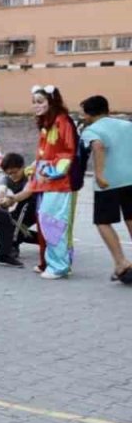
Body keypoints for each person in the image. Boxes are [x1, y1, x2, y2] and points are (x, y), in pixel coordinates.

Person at [22, 85, 79, 279]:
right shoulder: (48, 123)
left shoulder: (62, 121)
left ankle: (59, 266)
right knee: (46, 222)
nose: (35, 106)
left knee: (53, 223)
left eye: (40, 102)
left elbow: (68, 152)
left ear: (51, 102)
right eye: (34, 102)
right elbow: (47, 153)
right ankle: (53, 263)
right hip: (46, 181)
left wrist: (49, 170)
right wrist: (35, 167)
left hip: (59, 182)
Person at [78, 95, 132, 283]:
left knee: (103, 222)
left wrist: (99, 174)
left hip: (108, 182)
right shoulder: (127, 125)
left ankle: (120, 262)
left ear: (88, 114)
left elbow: (98, 146)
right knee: (130, 217)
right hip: (130, 179)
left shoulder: (91, 130)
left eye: (82, 112)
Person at [0, 152, 39, 261]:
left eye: (15, 172)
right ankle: (45, 241)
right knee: (7, 222)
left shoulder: (30, 174)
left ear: (22, 166)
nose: (12, 176)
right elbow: (1, 191)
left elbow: (27, 192)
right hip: (22, 207)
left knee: (15, 226)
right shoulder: (7, 179)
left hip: (36, 206)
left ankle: (12, 247)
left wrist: (11, 199)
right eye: (9, 173)